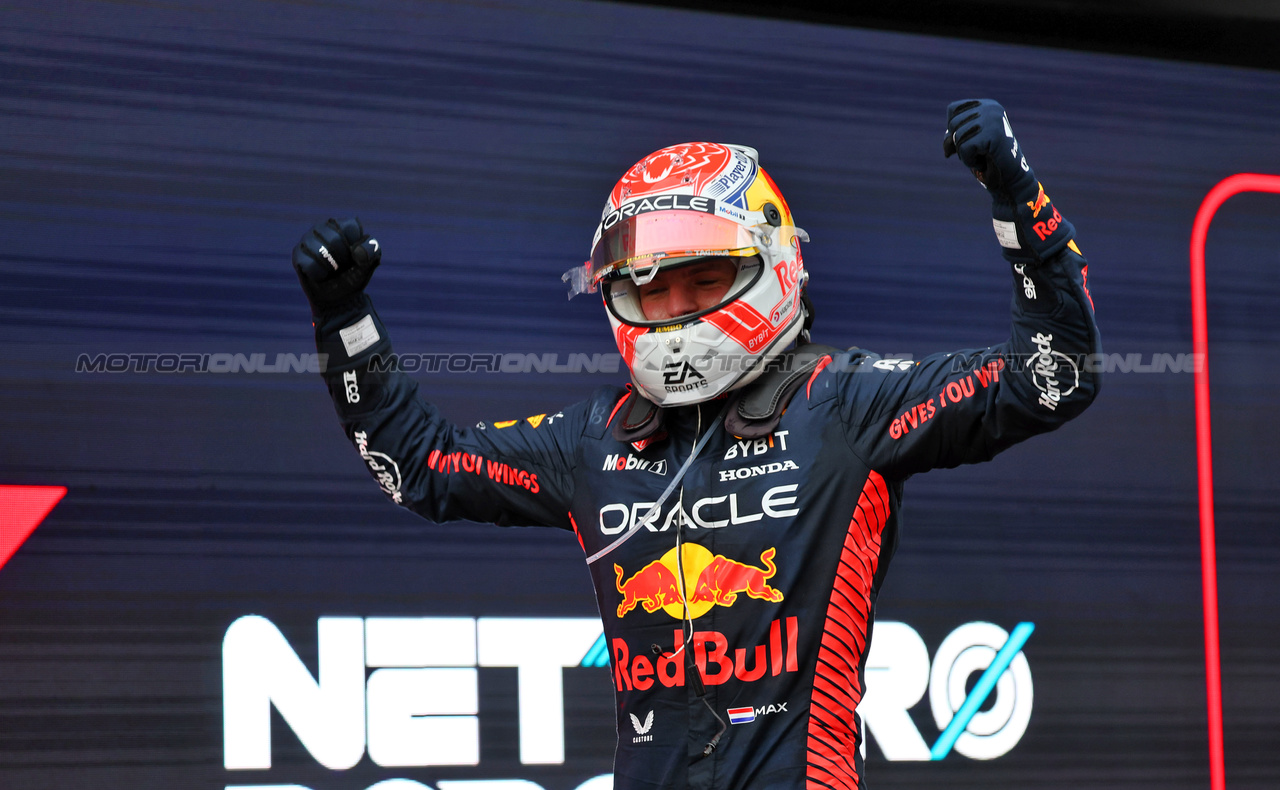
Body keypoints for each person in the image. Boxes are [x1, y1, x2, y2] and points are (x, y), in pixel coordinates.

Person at [292, 99, 1100, 789]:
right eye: (650, 289)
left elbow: (1051, 377)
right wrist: (345, 324)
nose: (674, 311)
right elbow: (423, 468)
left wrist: (1017, 198)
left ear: (774, 267)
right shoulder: (594, 441)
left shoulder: (848, 401)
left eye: (703, 282)